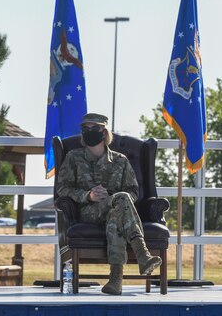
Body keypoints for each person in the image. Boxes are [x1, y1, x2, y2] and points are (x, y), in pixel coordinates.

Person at [56, 112, 162, 295]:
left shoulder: (121, 161)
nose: (89, 132)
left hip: (116, 210)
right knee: (121, 199)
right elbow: (62, 189)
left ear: (104, 132)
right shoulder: (73, 157)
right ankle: (142, 254)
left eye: (94, 128)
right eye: (85, 128)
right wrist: (88, 195)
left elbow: (134, 191)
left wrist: (111, 197)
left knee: (116, 213)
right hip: (87, 213)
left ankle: (115, 281)